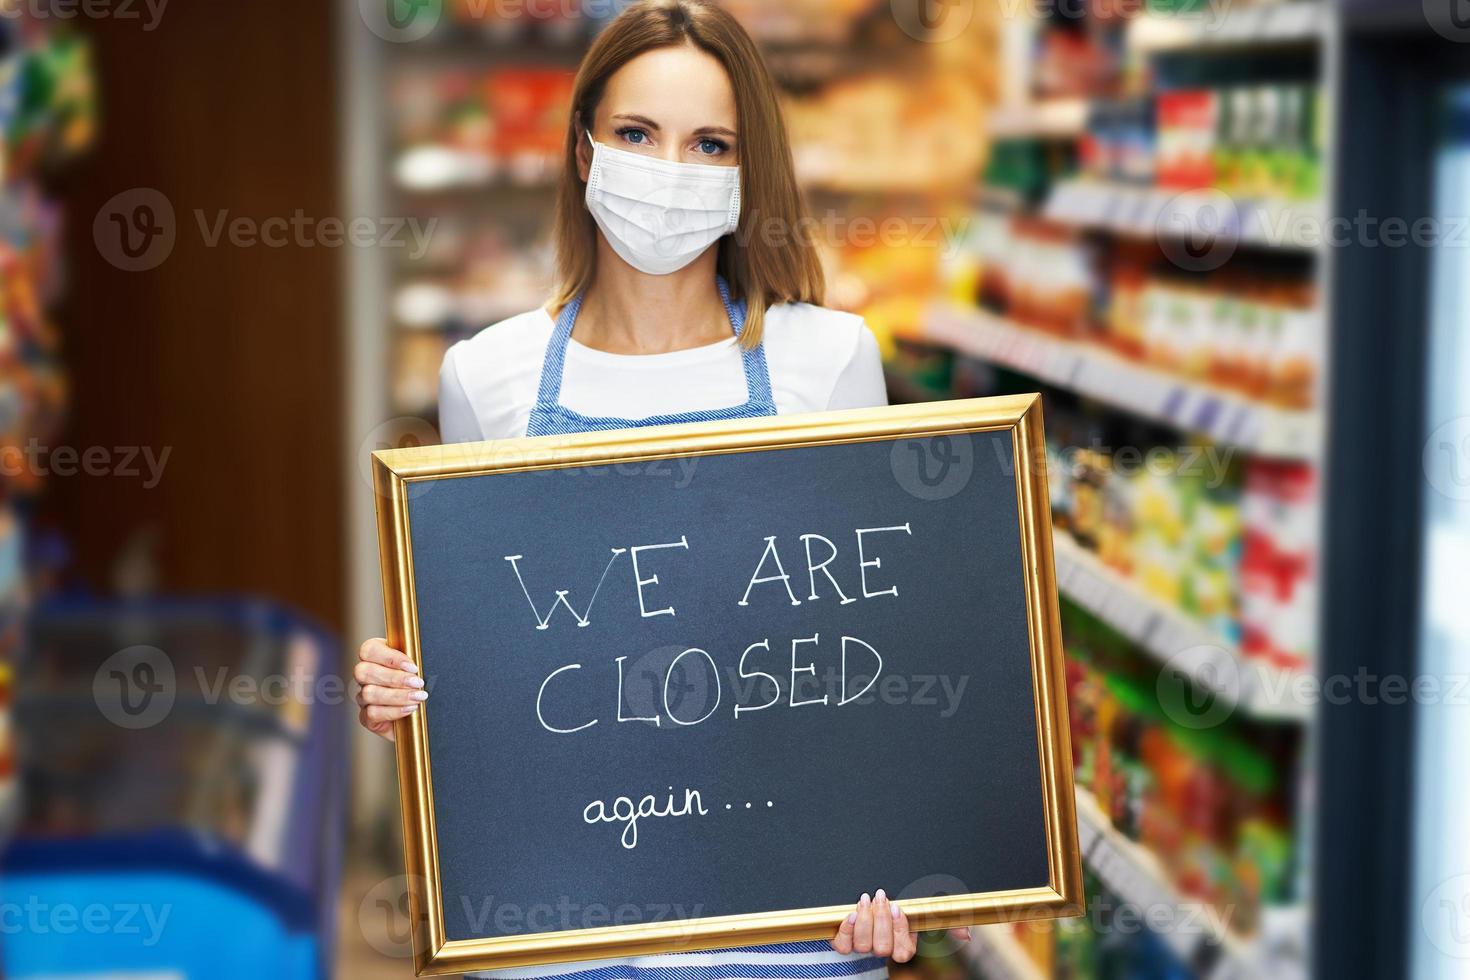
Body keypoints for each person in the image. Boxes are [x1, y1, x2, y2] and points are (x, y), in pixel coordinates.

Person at [355, 1, 969, 975]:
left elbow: (877, 670)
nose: (668, 171)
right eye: (638, 134)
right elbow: (496, 671)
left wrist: (911, 867)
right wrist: (412, 689)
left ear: (746, 171)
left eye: (710, 143)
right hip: (564, 938)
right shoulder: (490, 378)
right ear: (584, 150)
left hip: (790, 937)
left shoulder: (829, 360)